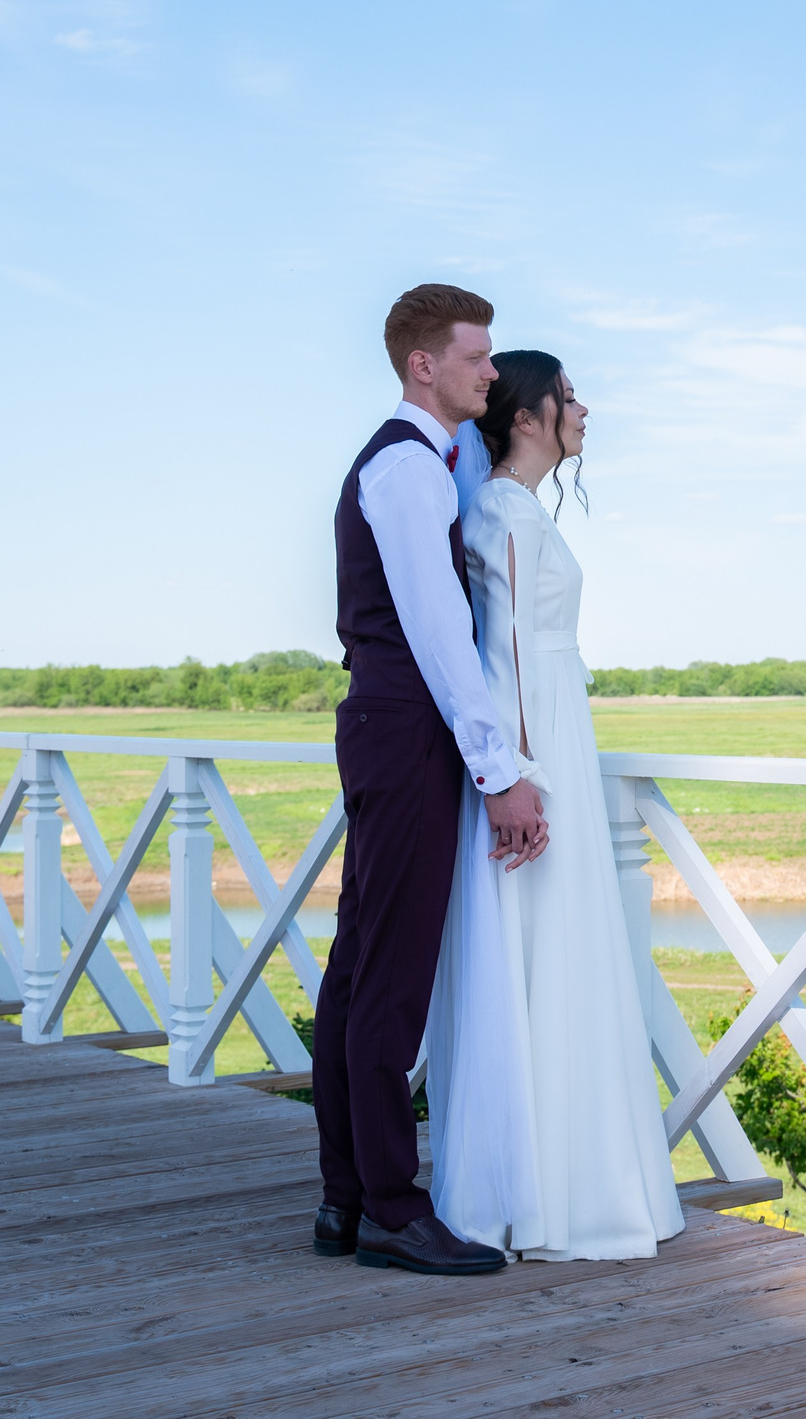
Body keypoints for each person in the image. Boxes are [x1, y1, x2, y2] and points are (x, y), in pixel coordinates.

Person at [423, 350, 686, 1260]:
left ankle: (570, 1176)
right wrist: (519, 777)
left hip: (557, 736)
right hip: (539, 753)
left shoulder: (516, 510)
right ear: (526, 416)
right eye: (567, 394)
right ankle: (543, 1190)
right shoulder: (501, 509)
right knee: (541, 939)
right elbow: (502, 656)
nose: (583, 408)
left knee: (564, 942)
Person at [313, 283, 548, 1279]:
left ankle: (347, 1195)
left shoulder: (414, 462)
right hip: (407, 726)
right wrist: (500, 769)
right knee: (390, 979)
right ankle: (393, 1211)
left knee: (360, 969)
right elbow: (439, 633)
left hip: (384, 721)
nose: (491, 373)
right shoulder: (408, 469)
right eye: (477, 355)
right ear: (425, 363)